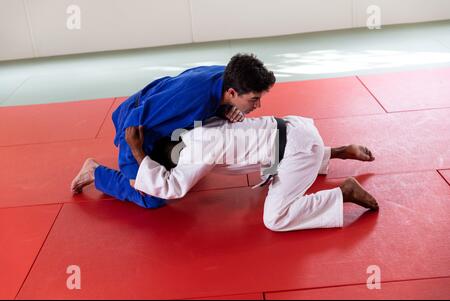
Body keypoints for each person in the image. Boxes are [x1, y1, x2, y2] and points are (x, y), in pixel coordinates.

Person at [71, 115, 379, 231]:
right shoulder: (197, 125)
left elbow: (171, 188)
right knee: (256, 153)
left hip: (296, 152)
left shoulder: (196, 150)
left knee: (276, 219)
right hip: (297, 129)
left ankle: (344, 193)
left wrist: (137, 151)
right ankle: (338, 151)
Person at [71, 53, 276, 208]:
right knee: (152, 197)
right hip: (138, 127)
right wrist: (135, 174)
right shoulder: (191, 98)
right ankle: (94, 172)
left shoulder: (232, 76)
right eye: (254, 100)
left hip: (173, 128)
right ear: (232, 92)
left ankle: (162, 161)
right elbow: (132, 126)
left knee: (207, 147)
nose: (258, 106)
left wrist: (226, 110)